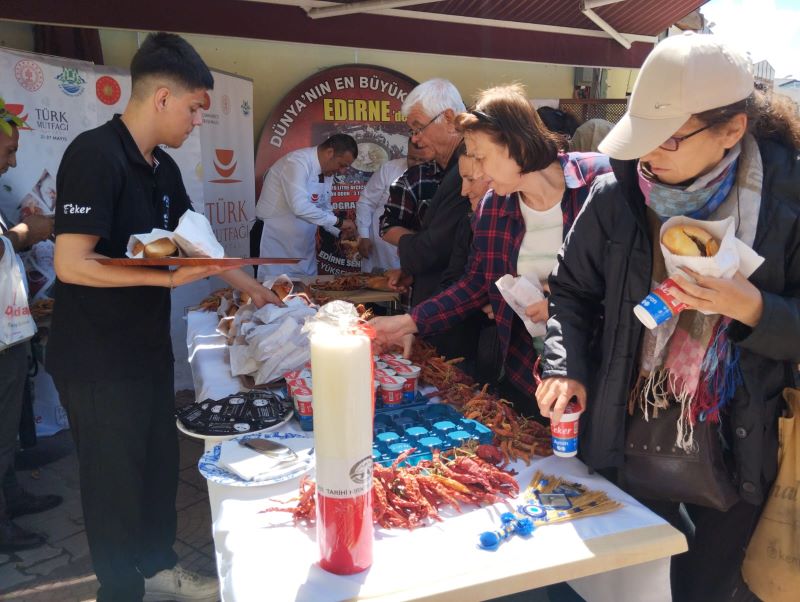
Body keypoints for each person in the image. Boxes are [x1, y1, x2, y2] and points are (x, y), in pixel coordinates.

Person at [536, 32, 800, 601]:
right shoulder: (615, 193)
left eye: (669, 139)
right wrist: (565, 365)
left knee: (702, 589)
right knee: (613, 583)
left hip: (739, 445)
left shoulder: (789, 204)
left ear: (732, 129)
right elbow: (572, 293)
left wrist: (753, 308)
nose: (646, 153)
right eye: (641, 134)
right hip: (620, 433)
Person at [47, 33, 280, 602]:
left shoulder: (163, 167)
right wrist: (163, 278)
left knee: (156, 471)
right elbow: (72, 264)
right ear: (162, 98)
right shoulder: (94, 155)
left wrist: (252, 288)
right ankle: (119, 589)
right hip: (97, 359)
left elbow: (198, 244)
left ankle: (158, 569)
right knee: (113, 483)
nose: (197, 122)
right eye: (196, 109)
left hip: (146, 350)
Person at [371, 84, 611, 414]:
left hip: (604, 373)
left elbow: (629, 274)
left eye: (482, 158)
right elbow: (474, 285)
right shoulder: (493, 208)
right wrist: (408, 322)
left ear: (515, 144)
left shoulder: (599, 179)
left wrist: (558, 301)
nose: (479, 174)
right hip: (532, 375)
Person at [0, 103, 62, 553]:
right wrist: (27, 233)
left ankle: (12, 497)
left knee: (6, 431)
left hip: (10, 332)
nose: (14, 162)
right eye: (8, 150)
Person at [255, 134, 358, 279]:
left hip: (304, 249)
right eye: (341, 165)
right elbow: (299, 207)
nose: (342, 171)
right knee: (272, 296)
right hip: (274, 243)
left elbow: (324, 210)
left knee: (306, 297)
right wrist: (339, 222)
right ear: (330, 153)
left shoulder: (327, 173)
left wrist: (340, 231)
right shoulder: (297, 162)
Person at [355, 140, 429, 273]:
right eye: (412, 158)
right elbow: (366, 202)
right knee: (376, 287)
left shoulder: (436, 175)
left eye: (421, 159)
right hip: (381, 248)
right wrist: (364, 235)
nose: (416, 163)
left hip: (418, 246)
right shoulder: (389, 169)